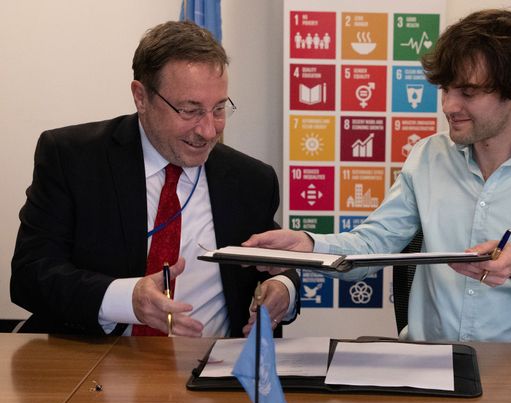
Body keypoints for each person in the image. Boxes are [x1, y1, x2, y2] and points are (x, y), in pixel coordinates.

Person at [244, 9, 511, 343]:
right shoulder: (428, 156)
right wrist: (309, 246)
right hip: (425, 368)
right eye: (445, 89)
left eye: (467, 92)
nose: (448, 106)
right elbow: (373, 245)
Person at [10, 20, 299, 338]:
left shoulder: (251, 180)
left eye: (218, 109)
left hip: (210, 370)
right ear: (141, 97)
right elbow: (30, 275)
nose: (208, 130)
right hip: (95, 367)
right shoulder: (73, 158)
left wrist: (283, 287)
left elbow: (274, 262)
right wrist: (124, 300)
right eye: (189, 110)